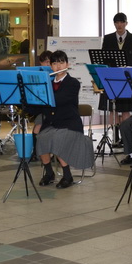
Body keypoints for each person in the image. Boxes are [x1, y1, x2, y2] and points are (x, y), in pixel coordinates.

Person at [35, 50, 94, 189]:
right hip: (52, 123)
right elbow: (42, 108)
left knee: (58, 138)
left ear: (67, 64)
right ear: (51, 66)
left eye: (61, 63)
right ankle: (49, 173)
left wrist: (43, 94)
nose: (58, 66)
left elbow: (60, 100)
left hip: (70, 124)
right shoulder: (48, 84)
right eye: (55, 63)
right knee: (41, 137)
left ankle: (67, 175)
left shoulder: (73, 83)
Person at [100, 12, 132, 130]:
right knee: (112, 109)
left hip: (128, 78)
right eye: (117, 22)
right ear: (114, 24)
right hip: (112, 78)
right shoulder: (108, 38)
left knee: (125, 109)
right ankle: (115, 134)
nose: (119, 25)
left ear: (126, 23)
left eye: (122, 22)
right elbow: (103, 59)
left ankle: (125, 134)